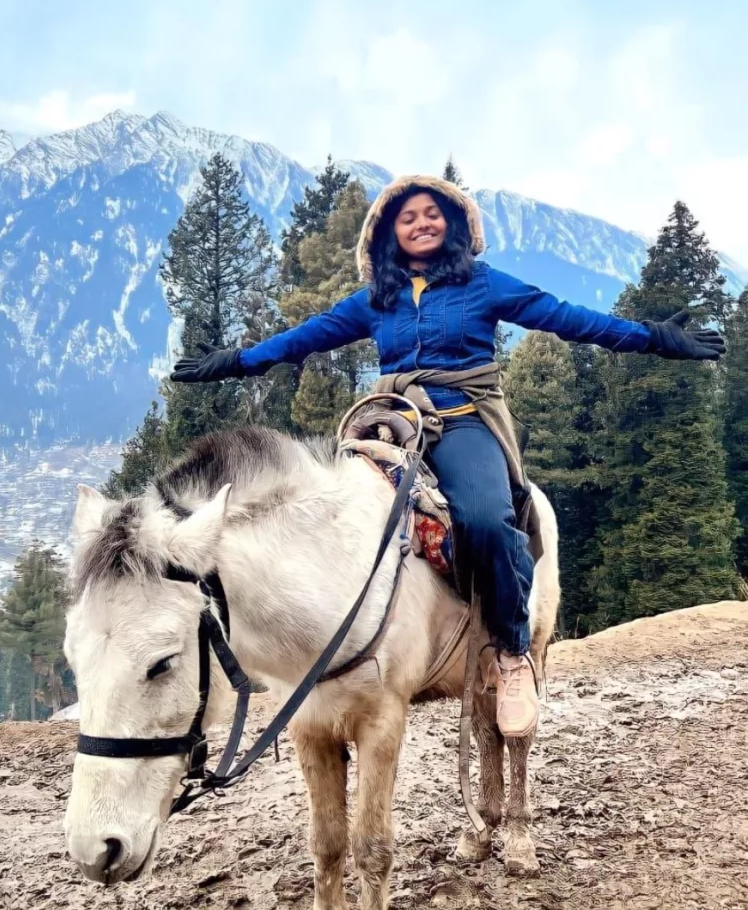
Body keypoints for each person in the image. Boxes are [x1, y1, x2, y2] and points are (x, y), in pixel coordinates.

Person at [171, 175, 725, 737]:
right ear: (389, 233)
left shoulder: (483, 285)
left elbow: (566, 316)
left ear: (454, 224)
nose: (421, 224)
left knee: (485, 519)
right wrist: (234, 361)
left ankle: (510, 654)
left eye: (432, 214)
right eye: (407, 217)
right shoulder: (375, 300)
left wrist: (652, 337)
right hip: (390, 420)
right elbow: (302, 338)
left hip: (463, 420)